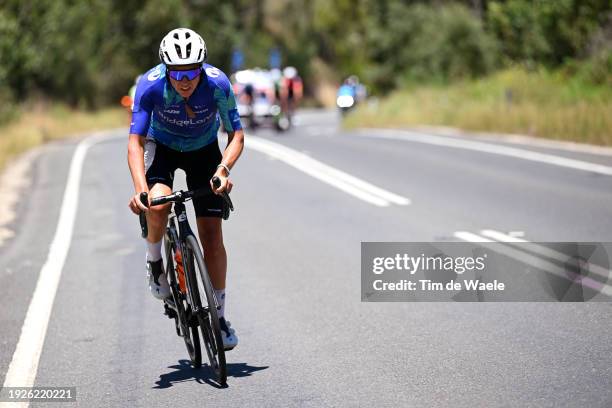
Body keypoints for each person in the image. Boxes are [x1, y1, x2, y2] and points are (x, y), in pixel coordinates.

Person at [127, 28, 243, 350]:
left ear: (202, 67)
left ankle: (218, 318)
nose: (185, 80)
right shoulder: (150, 86)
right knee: (159, 203)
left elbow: (237, 135)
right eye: (177, 72)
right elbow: (135, 143)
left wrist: (223, 169)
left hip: (204, 151)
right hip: (160, 145)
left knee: (212, 236)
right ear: (166, 69)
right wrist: (141, 190)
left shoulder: (218, 84)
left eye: (192, 71)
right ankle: (154, 262)